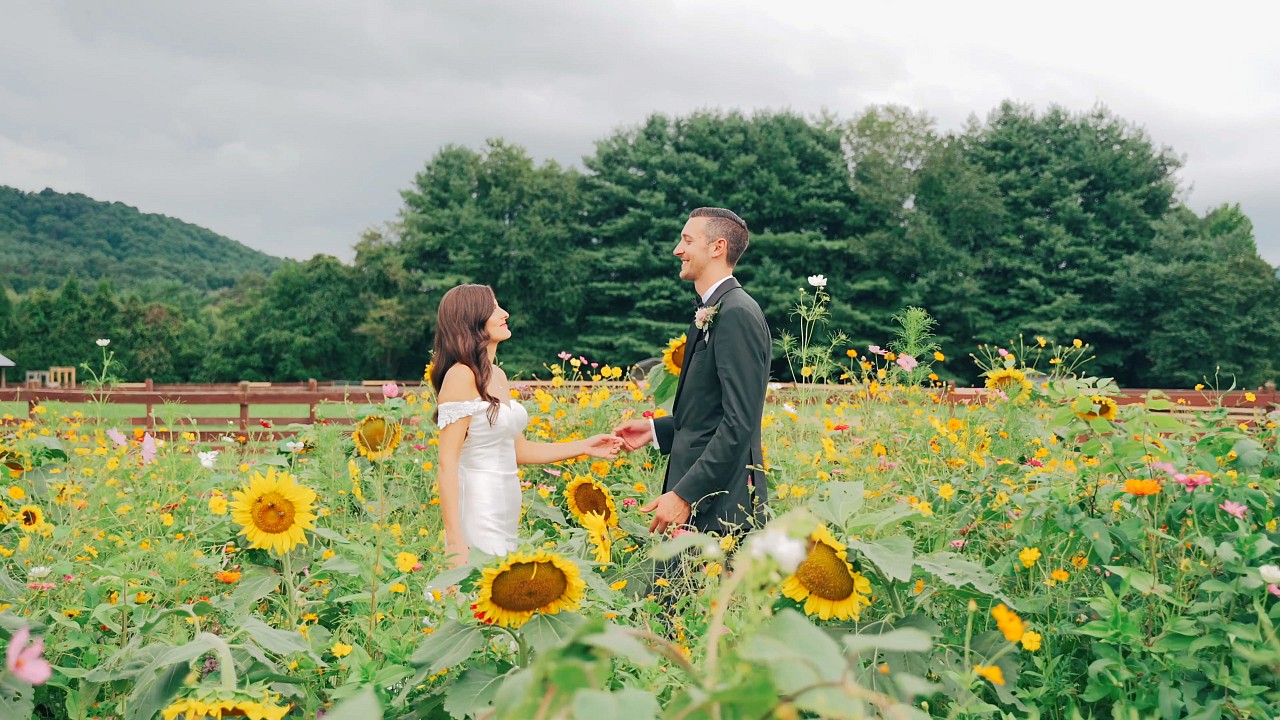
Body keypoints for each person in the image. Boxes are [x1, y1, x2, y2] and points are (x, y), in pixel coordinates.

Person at [430, 284, 622, 567]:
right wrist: (455, 542)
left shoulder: (497, 375)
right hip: (477, 501)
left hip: (506, 502)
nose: (504, 313)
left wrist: (585, 446)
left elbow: (518, 450)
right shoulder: (460, 375)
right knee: (475, 592)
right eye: (494, 308)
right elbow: (447, 464)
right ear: (472, 317)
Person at [614, 208, 771, 538]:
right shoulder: (714, 310)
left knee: (696, 590)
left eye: (687, 240)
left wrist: (687, 494)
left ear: (718, 247)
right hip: (702, 504)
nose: (677, 250)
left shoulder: (736, 313)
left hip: (720, 509)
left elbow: (739, 422)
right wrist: (657, 431)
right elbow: (711, 414)